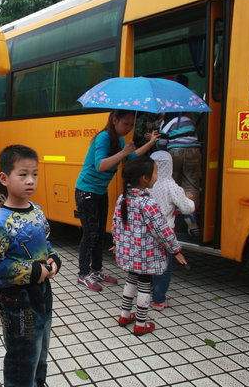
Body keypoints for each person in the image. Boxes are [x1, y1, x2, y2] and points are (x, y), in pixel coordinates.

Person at [0, 145, 62, 387]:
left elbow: (45, 243)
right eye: (23, 174)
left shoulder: (37, 211)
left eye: (35, 174)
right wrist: (34, 271)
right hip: (16, 299)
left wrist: (54, 259)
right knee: (22, 354)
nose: (31, 180)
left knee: (41, 349)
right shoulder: (0, 221)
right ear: (4, 178)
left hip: (42, 292)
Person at [75, 109, 159, 291]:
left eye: (131, 125)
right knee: (90, 233)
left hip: (100, 192)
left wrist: (150, 142)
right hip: (86, 192)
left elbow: (132, 157)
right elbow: (100, 165)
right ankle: (83, 274)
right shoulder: (104, 137)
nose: (128, 128)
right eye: (125, 124)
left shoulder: (119, 139)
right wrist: (123, 153)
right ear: (114, 120)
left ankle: (96, 270)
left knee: (98, 233)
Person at [113, 155, 185, 336]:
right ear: (144, 178)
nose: (156, 177)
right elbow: (162, 230)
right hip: (146, 256)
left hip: (129, 253)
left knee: (131, 280)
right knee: (145, 285)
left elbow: (116, 224)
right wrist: (175, 250)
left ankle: (124, 315)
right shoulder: (148, 203)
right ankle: (140, 323)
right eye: (154, 174)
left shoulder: (122, 198)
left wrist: (116, 243)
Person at [148, 151, 193, 310]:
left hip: (148, 232)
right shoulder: (171, 185)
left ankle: (149, 289)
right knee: (164, 266)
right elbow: (187, 208)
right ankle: (159, 300)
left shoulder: (147, 183)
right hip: (165, 233)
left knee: (150, 262)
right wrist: (189, 198)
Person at [158, 109, 202, 237]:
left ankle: (172, 213)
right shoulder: (190, 121)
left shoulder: (168, 122)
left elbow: (162, 144)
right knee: (191, 183)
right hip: (194, 151)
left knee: (172, 183)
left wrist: (154, 140)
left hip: (175, 152)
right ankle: (191, 214)